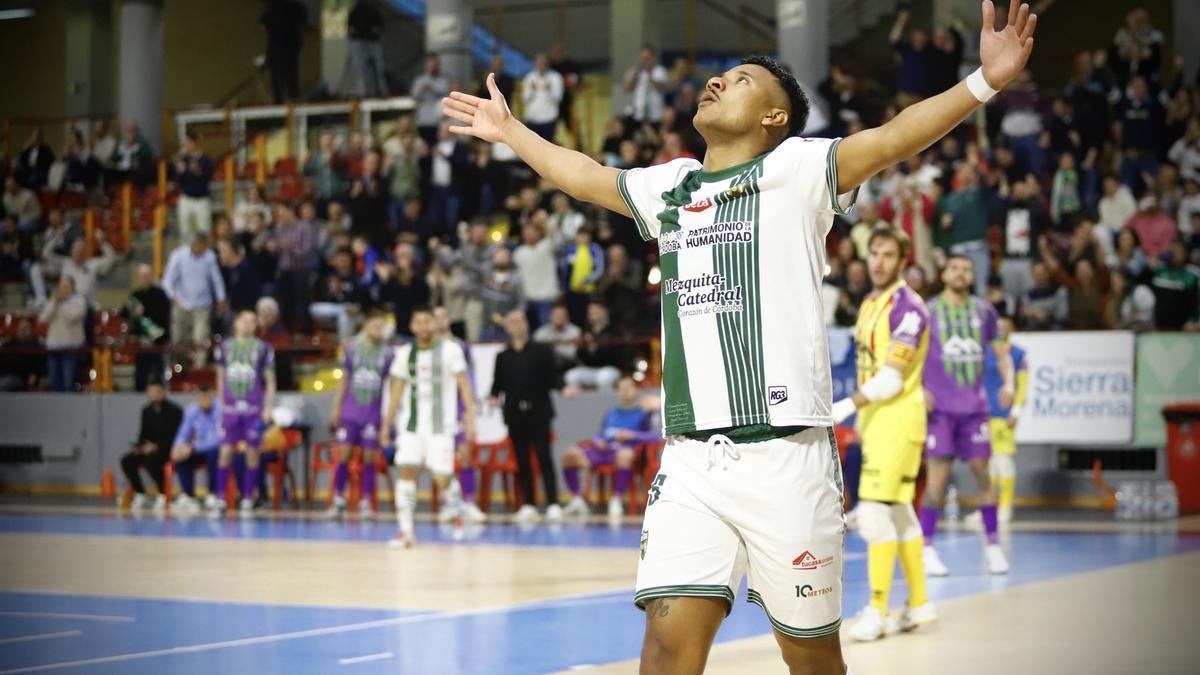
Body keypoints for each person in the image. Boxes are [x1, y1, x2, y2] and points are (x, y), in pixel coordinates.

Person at [440, 3, 1036, 668]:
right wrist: (511, 129)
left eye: (745, 79)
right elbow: (581, 174)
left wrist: (984, 82)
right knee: (666, 649)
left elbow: (895, 137)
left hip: (787, 457)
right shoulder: (671, 185)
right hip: (692, 461)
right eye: (721, 77)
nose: (720, 82)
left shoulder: (801, 171)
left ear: (774, 118)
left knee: (811, 660)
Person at [830, 225, 936, 642]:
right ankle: (921, 604)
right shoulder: (870, 302)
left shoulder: (909, 307)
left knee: (874, 516)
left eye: (888, 254)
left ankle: (877, 610)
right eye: (873, 252)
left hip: (897, 421)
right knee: (899, 514)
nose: (878, 261)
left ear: (902, 260)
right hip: (877, 422)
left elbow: (891, 380)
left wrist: (842, 407)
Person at [920, 255, 1015, 578]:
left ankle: (992, 545)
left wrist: (1011, 382)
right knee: (937, 479)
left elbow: (1003, 352)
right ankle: (927, 548)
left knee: (982, 472)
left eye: (966, 269)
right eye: (954, 268)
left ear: (972, 276)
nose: (960, 273)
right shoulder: (928, 311)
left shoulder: (985, 311)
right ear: (944, 274)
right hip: (940, 411)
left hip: (974, 410)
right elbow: (909, 353)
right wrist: (917, 388)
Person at [380, 306, 476, 547]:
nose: (423, 327)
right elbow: (396, 391)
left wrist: (471, 420)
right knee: (406, 470)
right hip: (411, 427)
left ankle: (456, 508)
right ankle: (406, 531)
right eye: (418, 322)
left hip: (440, 427)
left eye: (427, 322)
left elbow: (465, 388)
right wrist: (387, 424)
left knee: (441, 476)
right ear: (412, 326)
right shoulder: (404, 354)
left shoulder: (451, 351)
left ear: (435, 324)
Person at [489, 310, 577, 524]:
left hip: (539, 413)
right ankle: (529, 503)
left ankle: (553, 503)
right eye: (512, 322)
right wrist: (492, 397)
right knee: (522, 460)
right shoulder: (503, 356)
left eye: (520, 321)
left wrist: (563, 387)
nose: (516, 325)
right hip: (514, 415)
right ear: (507, 327)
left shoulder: (541, 351)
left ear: (526, 324)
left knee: (544, 457)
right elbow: (497, 384)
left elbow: (553, 376)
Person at [560, 375, 656, 519]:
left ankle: (616, 498)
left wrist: (632, 435)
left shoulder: (644, 413)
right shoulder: (611, 413)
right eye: (621, 388)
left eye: (628, 388)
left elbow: (655, 436)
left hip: (625, 453)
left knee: (625, 454)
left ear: (636, 390)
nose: (624, 391)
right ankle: (577, 499)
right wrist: (598, 440)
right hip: (603, 450)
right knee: (569, 455)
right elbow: (601, 433)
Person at [210, 310, 276, 518]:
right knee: (225, 452)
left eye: (252, 321)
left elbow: (270, 381)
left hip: (253, 410)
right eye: (245, 320)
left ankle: (247, 499)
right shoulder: (224, 347)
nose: (249, 324)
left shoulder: (263, 348)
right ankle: (220, 500)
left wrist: (268, 408)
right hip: (230, 409)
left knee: (252, 454)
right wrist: (221, 404)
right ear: (236, 322)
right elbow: (220, 378)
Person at [327, 312, 393, 517]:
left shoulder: (389, 354)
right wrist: (336, 408)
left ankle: (366, 501)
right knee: (344, 455)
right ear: (365, 325)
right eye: (375, 324)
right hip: (350, 412)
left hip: (373, 414)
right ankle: (338, 499)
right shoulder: (352, 349)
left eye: (381, 326)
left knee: (370, 458)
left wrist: (389, 418)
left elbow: (391, 386)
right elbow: (344, 381)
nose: (378, 329)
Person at [431, 305, 488, 524]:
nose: (439, 321)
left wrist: (469, 411)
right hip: (437, 411)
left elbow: (469, 380)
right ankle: (449, 503)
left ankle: (469, 502)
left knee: (465, 455)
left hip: (457, 410)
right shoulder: (428, 348)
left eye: (443, 316)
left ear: (449, 320)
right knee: (441, 460)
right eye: (435, 317)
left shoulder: (460, 347)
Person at [975, 312, 1027, 526]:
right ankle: (989, 508)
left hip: (1004, 415)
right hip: (984, 414)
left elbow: (1022, 386)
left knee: (1003, 461)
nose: (1002, 330)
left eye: (1006, 327)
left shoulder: (1017, 354)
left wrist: (1016, 411)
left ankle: (1005, 506)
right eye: (999, 327)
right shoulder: (985, 351)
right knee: (986, 464)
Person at [162, 232, 226, 367]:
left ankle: (199, 369)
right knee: (178, 338)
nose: (203, 249)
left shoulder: (209, 257)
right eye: (202, 246)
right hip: (181, 304)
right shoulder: (178, 255)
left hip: (203, 305)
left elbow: (216, 279)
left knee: (200, 338)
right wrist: (172, 297)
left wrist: (221, 297)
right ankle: (180, 366)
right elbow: (167, 281)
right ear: (194, 244)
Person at [118, 381, 184, 511]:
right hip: (148, 449)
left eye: (156, 392)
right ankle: (140, 493)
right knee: (127, 460)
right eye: (150, 392)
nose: (153, 395)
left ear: (163, 392)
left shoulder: (175, 411)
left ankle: (163, 493)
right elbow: (143, 434)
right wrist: (140, 447)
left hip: (167, 449)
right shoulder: (146, 411)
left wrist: (156, 447)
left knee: (152, 460)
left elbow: (177, 437)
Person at [169, 383, 223, 513]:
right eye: (201, 398)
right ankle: (188, 496)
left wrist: (192, 447)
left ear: (213, 396)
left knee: (214, 453)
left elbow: (218, 440)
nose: (204, 401)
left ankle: (213, 495)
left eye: (207, 397)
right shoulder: (191, 410)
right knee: (182, 456)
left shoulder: (221, 409)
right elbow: (183, 432)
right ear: (197, 398)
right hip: (198, 448)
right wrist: (177, 447)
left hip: (215, 449)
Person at [125, 264, 171, 391]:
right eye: (142, 276)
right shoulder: (136, 294)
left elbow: (163, 315)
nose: (145, 278)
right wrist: (134, 312)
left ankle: (159, 394)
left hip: (158, 342)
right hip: (141, 342)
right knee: (141, 373)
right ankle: (139, 394)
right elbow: (124, 312)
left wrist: (145, 312)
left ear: (151, 276)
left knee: (157, 373)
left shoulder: (160, 294)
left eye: (147, 276)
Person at [39, 276, 87, 392]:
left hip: (70, 347)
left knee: (68, 383)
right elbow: (43, 319)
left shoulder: (79, 300)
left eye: (66, 286)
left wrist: (62, 303)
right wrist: (55, 303)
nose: (63, 289)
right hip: (53, 347)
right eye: (61, 287)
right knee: (54, 384)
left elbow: (72, 317)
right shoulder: (54, 300)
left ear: (73, 287)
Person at [260, 0, 307, 103]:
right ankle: (291, 96)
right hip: (289, 47)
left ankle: (281, 98)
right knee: (290, 74)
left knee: (279, 76)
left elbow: (267, 34)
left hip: (280, 48)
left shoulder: (271, 13)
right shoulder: (295, 10)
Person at [341, 0, 387, 97]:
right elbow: (348, 27)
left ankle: (380, 92)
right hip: (359, 42)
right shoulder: (355, 11)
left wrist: (375, 32)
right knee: (361, 71)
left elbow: (380, 26)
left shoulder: (373, 11)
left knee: (377, 70)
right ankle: (363, 93)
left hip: (372, 42)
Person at [174, 132, 215, 238]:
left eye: (189, 143)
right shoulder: (184, 159)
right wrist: (180, 173)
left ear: (195, 143)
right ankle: (187, 251)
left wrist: (198, 171)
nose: (187, 146)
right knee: (184, 227)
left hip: (201, 198)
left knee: (204, 228)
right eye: (185, 143)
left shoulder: (206, 160)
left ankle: (205, 251)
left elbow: (208, 178)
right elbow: (179, 182)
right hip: (186, 197)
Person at [521, 53, 565, 141]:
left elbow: (558, 98)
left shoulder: (556, 78)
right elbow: (524, 98)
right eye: (539, 63)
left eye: (543, 63)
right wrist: (532, 89)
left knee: (547, 148)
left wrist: (549, 89)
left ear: (547, 64)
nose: (541, 66)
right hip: (532, 119)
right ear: (535, 64)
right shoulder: (529, 78)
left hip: (548, 119)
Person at [622, 45, 668, 126]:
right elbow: (626, 88)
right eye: (643, 58)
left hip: (654, 116)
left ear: (652, 58)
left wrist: (649, 73)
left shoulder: (659, 71)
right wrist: (632, 76)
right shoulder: (636, 71)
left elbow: (660, 88)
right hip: (637, 115)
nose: (645, 60)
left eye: (647, 58)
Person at [412, 53, 450, 146]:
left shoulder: (444, 79)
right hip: (423, 121)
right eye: (430, 63)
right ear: (426, 65)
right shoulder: (420, 80)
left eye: (434, 64)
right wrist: (422, 90)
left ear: (438, 65)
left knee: (437, 147)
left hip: (438, 121)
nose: (432, 66)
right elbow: (413, 96)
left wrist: (432, 89)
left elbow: (447, 94)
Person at [533, 303, 582, 372]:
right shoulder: (540, 332)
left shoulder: (575, 331)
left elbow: (572, 354)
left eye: (562, 315)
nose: (559, 317)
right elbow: (536, 353)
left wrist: (550, 345)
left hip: (569, 366)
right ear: (550, 316)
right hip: (546, 367)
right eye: (557, 315)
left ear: (567, 317)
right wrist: (565, 342)